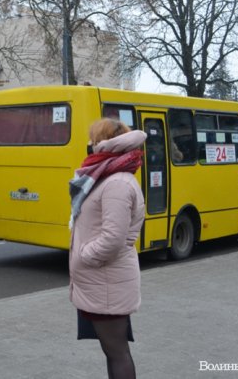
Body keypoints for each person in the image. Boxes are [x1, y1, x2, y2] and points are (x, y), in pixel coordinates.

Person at [68, 118, 146, 379]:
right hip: (102, 282)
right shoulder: (106, 176)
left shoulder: (117, 183)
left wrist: (84, 256)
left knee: (117, 351)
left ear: (104, 143)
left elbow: (113, 238)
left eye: (93, 139)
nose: (89, 144)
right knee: (112, 350)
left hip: (107, 281)